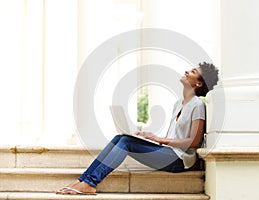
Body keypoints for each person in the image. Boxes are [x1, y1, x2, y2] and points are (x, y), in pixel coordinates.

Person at [56, 62, 219, 195]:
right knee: (119, 139)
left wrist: (159, 139)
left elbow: (193, 141)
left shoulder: (197, 105)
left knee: (126, 143)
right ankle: (82, 180)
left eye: (192, 71)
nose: (186, 71)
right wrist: (151, 136)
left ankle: (90, 183)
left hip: (180, 160)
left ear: (198, 83)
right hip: (169, 152)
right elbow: (175, 136)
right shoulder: (179, 103)